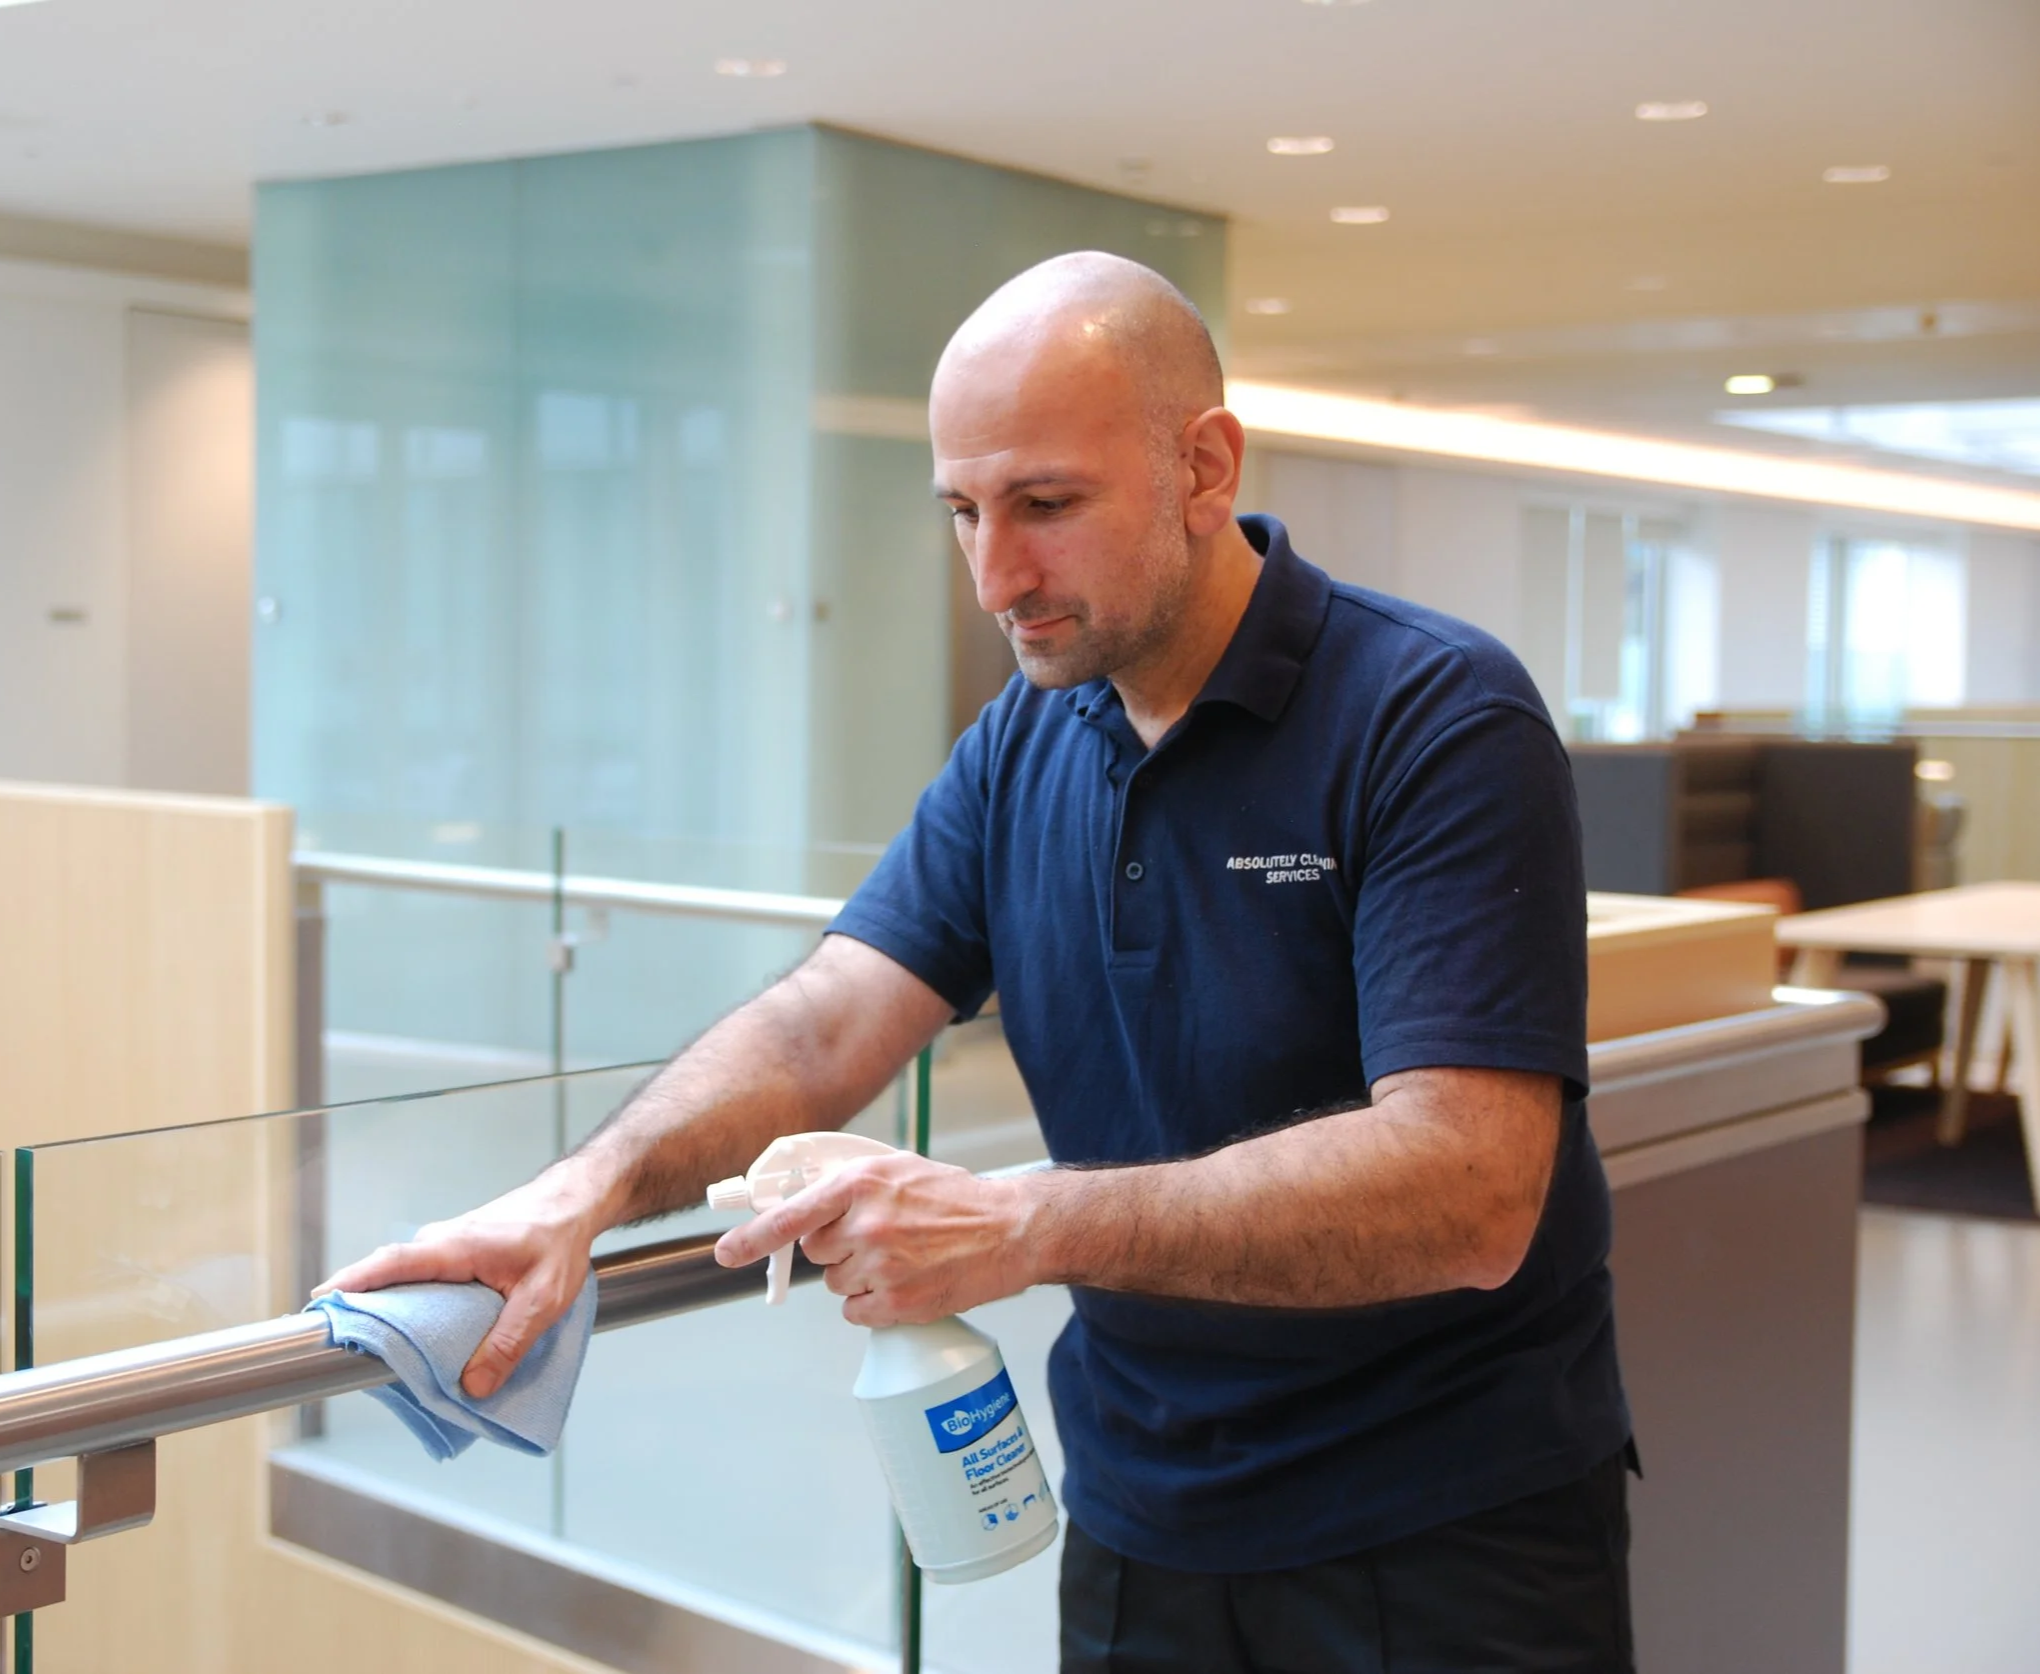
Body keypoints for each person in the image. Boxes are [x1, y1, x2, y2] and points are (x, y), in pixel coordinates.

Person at [326, 252, 1634, 1672]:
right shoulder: (1024, 741)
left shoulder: (1433, 714)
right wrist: (581, 1191)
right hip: (1145, 1519)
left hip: (1446, 1531)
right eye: (962, 511)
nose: (996, 575)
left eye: (1047, 506)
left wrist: (1022, 1223)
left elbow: (1470, 1186)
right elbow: (827, 1022)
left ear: (1203, 466)